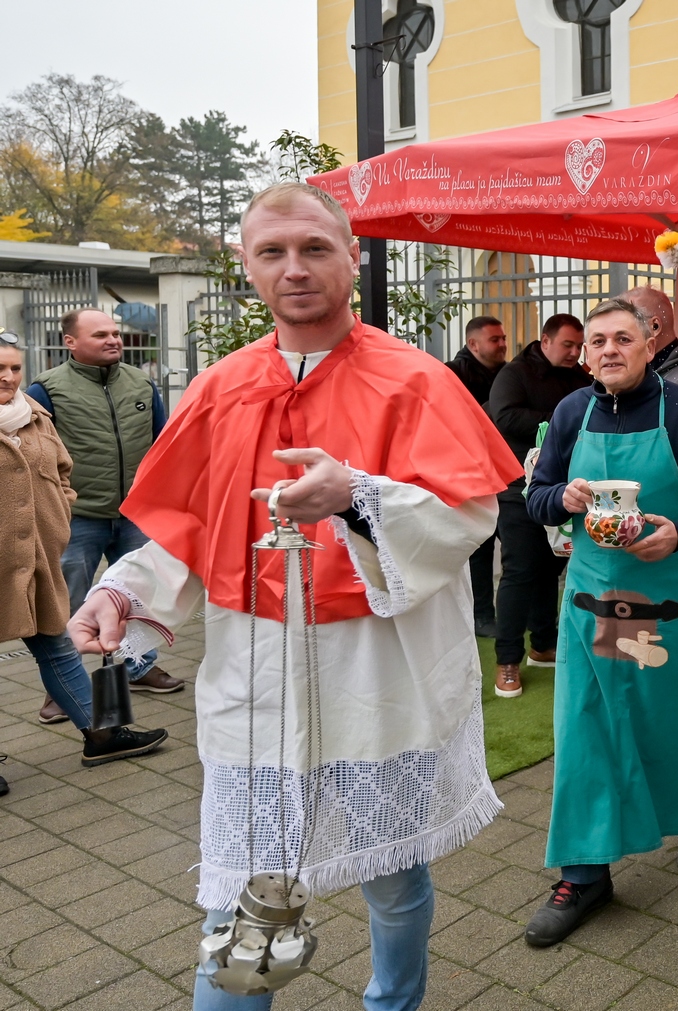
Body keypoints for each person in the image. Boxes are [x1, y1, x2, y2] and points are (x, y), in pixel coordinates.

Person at [66, 181, 523, 1010]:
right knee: (239, 894)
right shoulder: (220, 386)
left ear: (354, 255)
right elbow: (185, 524)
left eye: (315, 248)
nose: (295, 268)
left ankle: (394, 999)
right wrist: (122, 593)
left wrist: (356, 494)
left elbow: (468, 512)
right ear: (247, 266)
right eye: (272, 252)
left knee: (392, 872)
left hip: (375, 671)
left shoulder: (414, 380)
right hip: (254, 671)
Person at [522, 298, 678, 945]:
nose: (610, 349)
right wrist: (556, 498)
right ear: (586, 354)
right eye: (598, 341)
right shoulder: (570, 412)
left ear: (651, 343)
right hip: (594, 601)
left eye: (624, 337)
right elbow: (535, 498)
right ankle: (585, 870)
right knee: (587, 721)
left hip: (669, 598)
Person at [1, 333, 168, 781]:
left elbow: (61, 471)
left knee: (57, 647)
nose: (9, 376)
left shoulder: (33, 416)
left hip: (36, 559)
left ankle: (103, 734)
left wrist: (60, 511)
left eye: (15, 368)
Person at [26, 308, 182, 725]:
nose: (113, 340)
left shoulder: (142, 384)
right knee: (68, 603)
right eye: (101, 335)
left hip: (134, 512)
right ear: (71, 342)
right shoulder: (46, 390)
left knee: (136, 594)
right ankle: (64, 690)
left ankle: (140, 666)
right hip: (78, 517)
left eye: (116, 333)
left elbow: (162, 442)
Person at [486, 313, 590, 696]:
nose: (575, 353)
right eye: (568, 345)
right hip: (517, 489)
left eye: (579, 346)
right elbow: (505, 417)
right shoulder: (514, 374)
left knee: (551, 570)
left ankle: (544, 644)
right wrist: (561, 419)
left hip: (565, 491)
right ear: (545, 341)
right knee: (519, 572)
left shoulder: (580, 377)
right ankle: (507, 660)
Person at [445, 315, 510, 637]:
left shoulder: (506, 373)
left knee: (512, 548)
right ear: (473, 344)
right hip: (467, 473)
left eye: (503, 338)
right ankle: (481, 615)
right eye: (494, 339)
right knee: (479, 550)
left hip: (502, 472)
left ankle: (511, 612)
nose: (502, 344)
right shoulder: (452, 374)